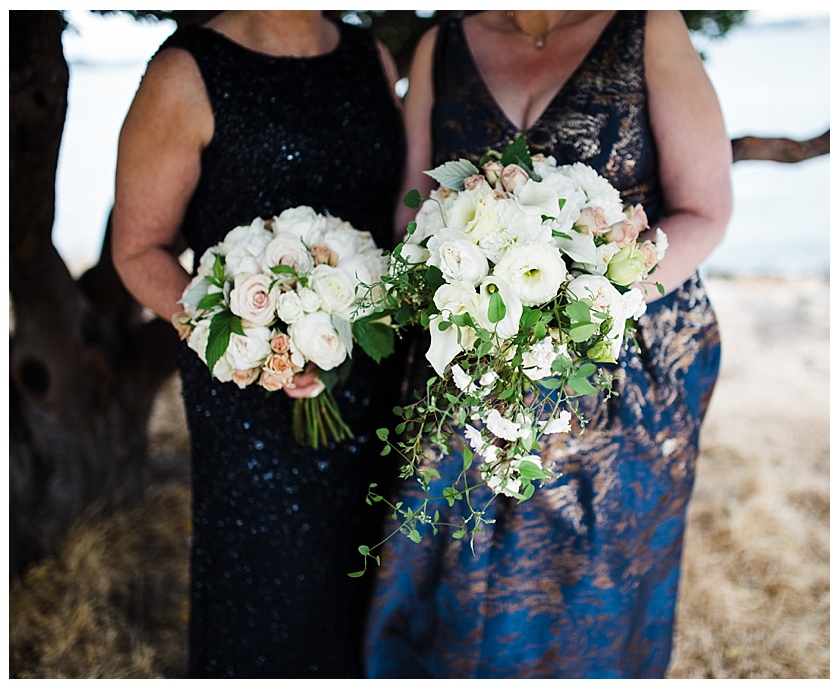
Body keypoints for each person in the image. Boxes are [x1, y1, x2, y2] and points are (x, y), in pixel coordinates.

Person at [364, 10, 732, 679]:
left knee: (584, 596)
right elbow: (412, 204)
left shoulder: (645, 26)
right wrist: (461, 289)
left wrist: (588, 306)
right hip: (466, 358)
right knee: (450, 579)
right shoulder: (439, 45)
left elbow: (705, 210)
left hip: (617, 374)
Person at [111, 11, 406, 678]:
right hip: (249, 397)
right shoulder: (185, 71)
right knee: (269, 599)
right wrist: (246, 342)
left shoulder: (369, 56)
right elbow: (137, 249)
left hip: (370, 381)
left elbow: (392, 218)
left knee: (370, 590)